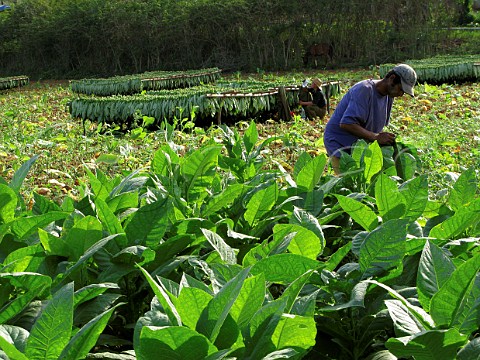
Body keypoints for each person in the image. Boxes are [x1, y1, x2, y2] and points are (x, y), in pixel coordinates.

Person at [323, 63, 417, 174]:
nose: (401, 94)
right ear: (392, 79)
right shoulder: (364, 90)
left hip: (358, 143)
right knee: (347, 182)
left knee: (366, 179)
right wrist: (375, 137)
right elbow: (346, 123)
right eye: (401, 89)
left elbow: (376, 126)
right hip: (339, 142)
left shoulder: (389, 96)